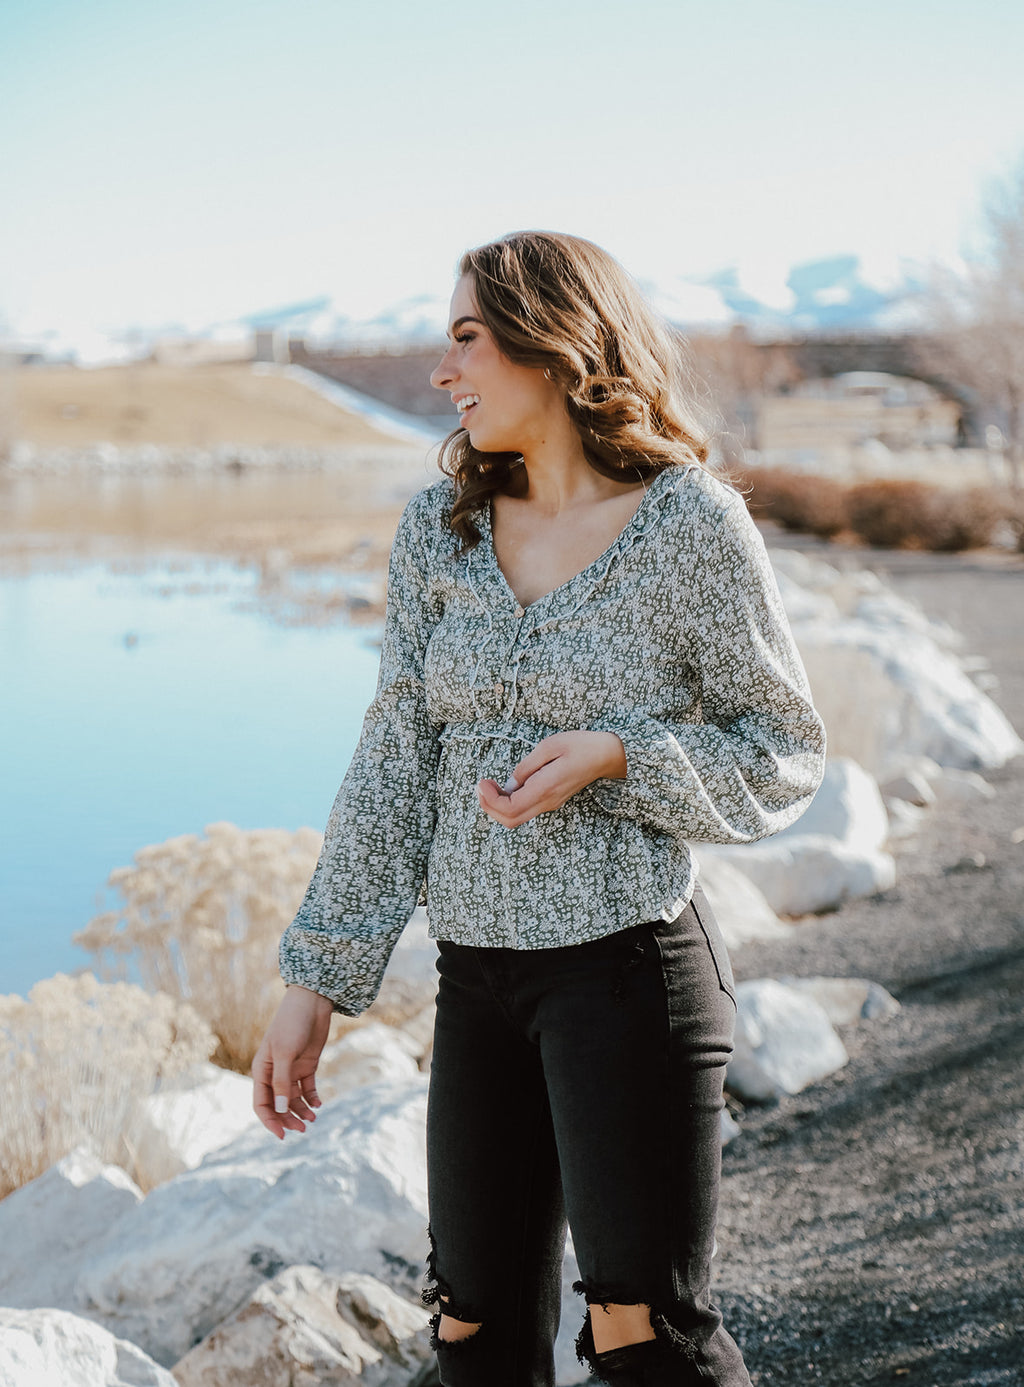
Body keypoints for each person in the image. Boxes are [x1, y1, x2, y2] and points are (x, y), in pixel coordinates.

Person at [252, 230, 827, 1387]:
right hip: (476, 981)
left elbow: (784, 750)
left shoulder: (689, 527)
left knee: (642, 1333)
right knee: (471, 1330)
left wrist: (621, 754)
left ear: (554, 345)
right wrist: (317, 977)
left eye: (467, 337)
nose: (442, 369)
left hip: (627, 977)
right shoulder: (441, 533)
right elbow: (395, 758)